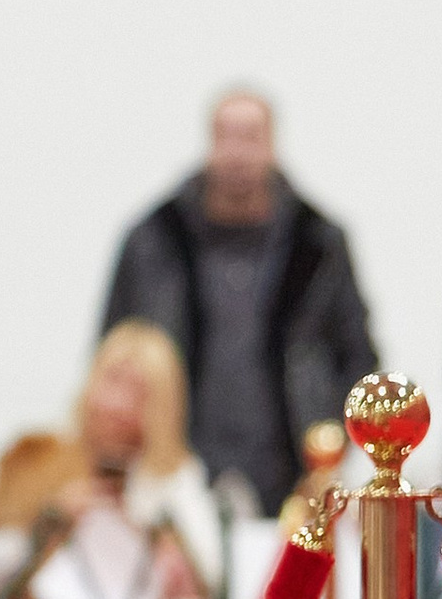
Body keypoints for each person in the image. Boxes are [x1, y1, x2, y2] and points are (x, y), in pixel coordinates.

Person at [101, 90, 376, 513]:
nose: (237, 152)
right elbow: (113, 355)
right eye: (226, 136)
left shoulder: (318, 244)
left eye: (250, 137)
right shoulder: (154, 240)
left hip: (290, 472)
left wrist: (329, 450)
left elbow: (356, 355)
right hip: (172, 474)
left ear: (272, 145)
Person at [0, 321, 220, 599]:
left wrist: (156, 533)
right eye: (112, 381)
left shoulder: (174, 480)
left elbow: (210, 578)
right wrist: (52, 520)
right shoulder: (37, 460)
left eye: (138, 391)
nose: (117, 404)